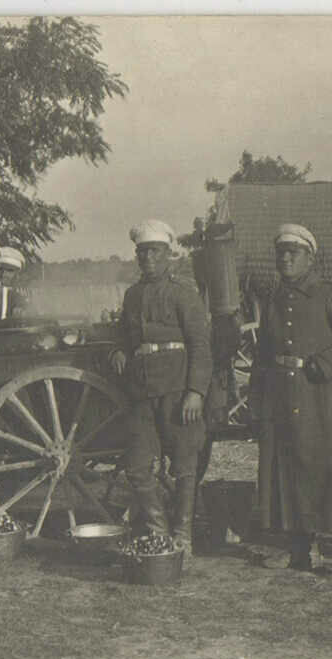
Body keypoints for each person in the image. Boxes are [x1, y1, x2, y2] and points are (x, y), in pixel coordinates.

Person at [249, 224, 332, 578]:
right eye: (281, 252)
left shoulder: (330, 294)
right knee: (288, 471)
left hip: (320, 396)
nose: (286, 258)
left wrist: (321, 367)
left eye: (294, 252)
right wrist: (257, 405)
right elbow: (262, 356)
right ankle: (298, 550)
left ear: (310, 258)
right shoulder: (273, 299)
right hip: (281, 398)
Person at [110, 219, 212, 557]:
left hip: (177, 390)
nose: (147, 259)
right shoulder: (132, 295)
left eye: (154, 252)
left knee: (183, 465)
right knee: (137, 466)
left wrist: (195, 391)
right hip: (141, 392)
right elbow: (125, 334)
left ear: (168, 255)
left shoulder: (184, 295)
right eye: (142, 253)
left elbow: (200, 345)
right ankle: (158, 531)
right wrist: (120, 350)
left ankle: (183, 535)